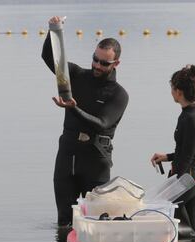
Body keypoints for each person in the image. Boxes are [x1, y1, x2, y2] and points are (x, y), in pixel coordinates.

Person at [42, 16, 129, 226]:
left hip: (96, 162)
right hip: (67, 158)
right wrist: (54, 29)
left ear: (116, 63)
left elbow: (102, 123)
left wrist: (74, 108)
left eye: (104, 63)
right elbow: (48, 57)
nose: (97, 65)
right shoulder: (77, 75)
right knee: (65, 221)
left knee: (96, 221)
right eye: (95, 59)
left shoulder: (119, 94)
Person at [151, 65, 195, 238]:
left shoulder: (189, 118)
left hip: (188, 183)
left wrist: (171, 188)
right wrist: (167, 157)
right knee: (192, 240)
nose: (171, 93)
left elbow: (186, 157)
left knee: (182, 237)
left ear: (178, 91)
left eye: (171, 89)